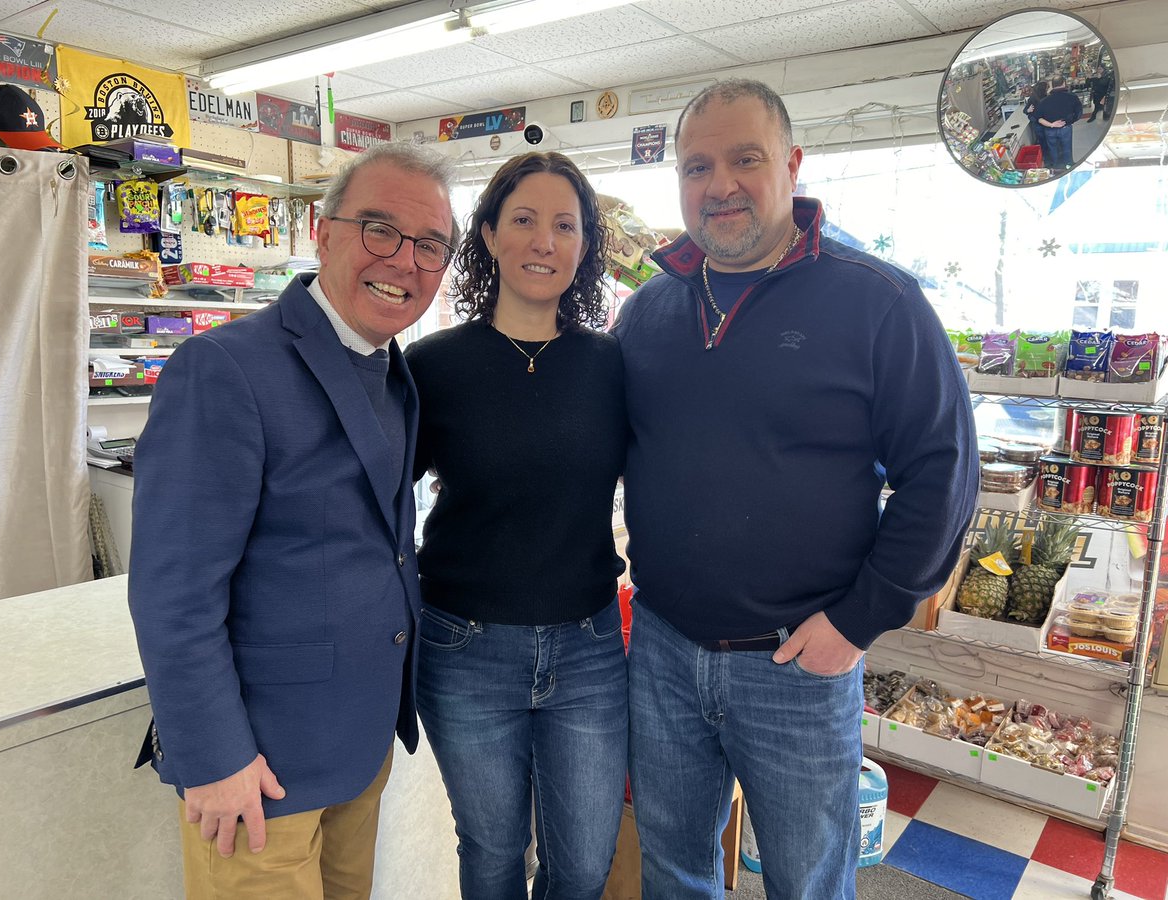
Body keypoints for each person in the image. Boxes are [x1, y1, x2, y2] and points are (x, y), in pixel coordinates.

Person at [612, 79, 978, 899]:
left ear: (793, 165)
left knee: (807, 880)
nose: (721, 184)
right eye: (697, 166)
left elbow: (944, 473)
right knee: (673, 867)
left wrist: (857, 621)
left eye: (746, 158)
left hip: (799, 664)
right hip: (664, 650)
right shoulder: (649, 312)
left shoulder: (878, 300)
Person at [127, 142, 458, 899]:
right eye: (379, 228)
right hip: (256, 772)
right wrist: (213, 758)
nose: (404, 259)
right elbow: (174, 591)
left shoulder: (393, 371)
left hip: (357, 748)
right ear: (324, 230)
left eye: (430, 245)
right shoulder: (225, 369)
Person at [404, 151, 627, 900]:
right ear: (491, 235)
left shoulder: (612, 366)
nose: (544, 241)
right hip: (465, 648)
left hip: (590, 649)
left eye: (565, 226)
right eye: (524, 220)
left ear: (585, 246)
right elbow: (372, 493)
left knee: (584, 866)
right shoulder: (432, 365)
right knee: (494, 854)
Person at [1036, 75, 1084, 169]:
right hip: (1065, 128)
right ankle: (1068, 166)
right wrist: (1069, 121)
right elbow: (1079, 113)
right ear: (1064, 83)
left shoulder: (1044, 101)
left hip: (1050, 130)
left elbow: (1039, 118)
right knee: (1067, 148)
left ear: (1052, 86)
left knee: (1053, 149)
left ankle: (1056, 167)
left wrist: (1052, 124)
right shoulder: (1072, 97)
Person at [1023, 81, 1051, 168]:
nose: (1048, 89)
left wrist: (1028, 111)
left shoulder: (1035, 97)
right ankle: (1049, 159)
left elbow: (1025, 110)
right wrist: (1028, 110)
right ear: (1043, 89)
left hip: (1038, 124)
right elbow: (1025, 110)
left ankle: (1047, 160)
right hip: (1043, 124)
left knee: (1043, 142)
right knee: (1046, 141)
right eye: (1047, 88)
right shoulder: (1035, 99)